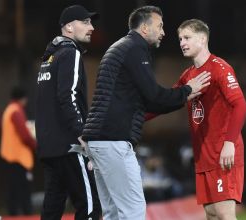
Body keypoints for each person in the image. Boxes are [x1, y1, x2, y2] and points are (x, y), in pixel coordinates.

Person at [82, 6, 210, 220]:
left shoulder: (119, 47)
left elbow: (142, 102)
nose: (163, 32)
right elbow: (153, 96)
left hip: (98, 141)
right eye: (159, 26)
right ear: (144, 28)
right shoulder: (134, 48)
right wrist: (188, 90)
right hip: (113, 140)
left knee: (113, 213)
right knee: (133, 212)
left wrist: (181, 95)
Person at [174, 19, 246, 220]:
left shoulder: (219, 68)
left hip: (222, 154)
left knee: (225, 215)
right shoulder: (188, 76)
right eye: (180, 38)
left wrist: (229, 144)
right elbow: (167, 102)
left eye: (187, 37)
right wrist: (133, 116)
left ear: (202, 38)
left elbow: (241, 106)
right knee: (212, 214)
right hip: (204, 157)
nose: (182, 42)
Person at [35, 5, 101, 220]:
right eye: (86, 22)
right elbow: (68, 96)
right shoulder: (70, 53)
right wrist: (82, 132)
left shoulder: (48, 59)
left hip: (50, 148)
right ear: (69, 27)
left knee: (52, 210)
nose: (91, 27)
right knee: (90, 207)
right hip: (71, 146)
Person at [0, 86, 36, 215]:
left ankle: (13, 215)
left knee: (13, 192)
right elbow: (25, 135)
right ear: (23, 98)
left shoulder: (8, 110)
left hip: (9, 156)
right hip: (19, 158)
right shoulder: (17, 111)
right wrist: (36, 145)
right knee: (23, 193)